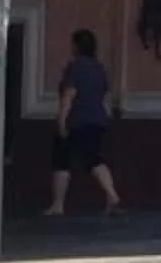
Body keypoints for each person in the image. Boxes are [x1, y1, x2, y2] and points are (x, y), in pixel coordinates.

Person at [46, 28, 122, 218]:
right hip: (97, 119)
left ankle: (58, 204)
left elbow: (69, 96)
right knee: (95, 159)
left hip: (77, 119)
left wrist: (62, 120)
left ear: (77, 46)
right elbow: (104, 97)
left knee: (62, 161)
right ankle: (111, 193)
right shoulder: (100, 69)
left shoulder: (75, 68)